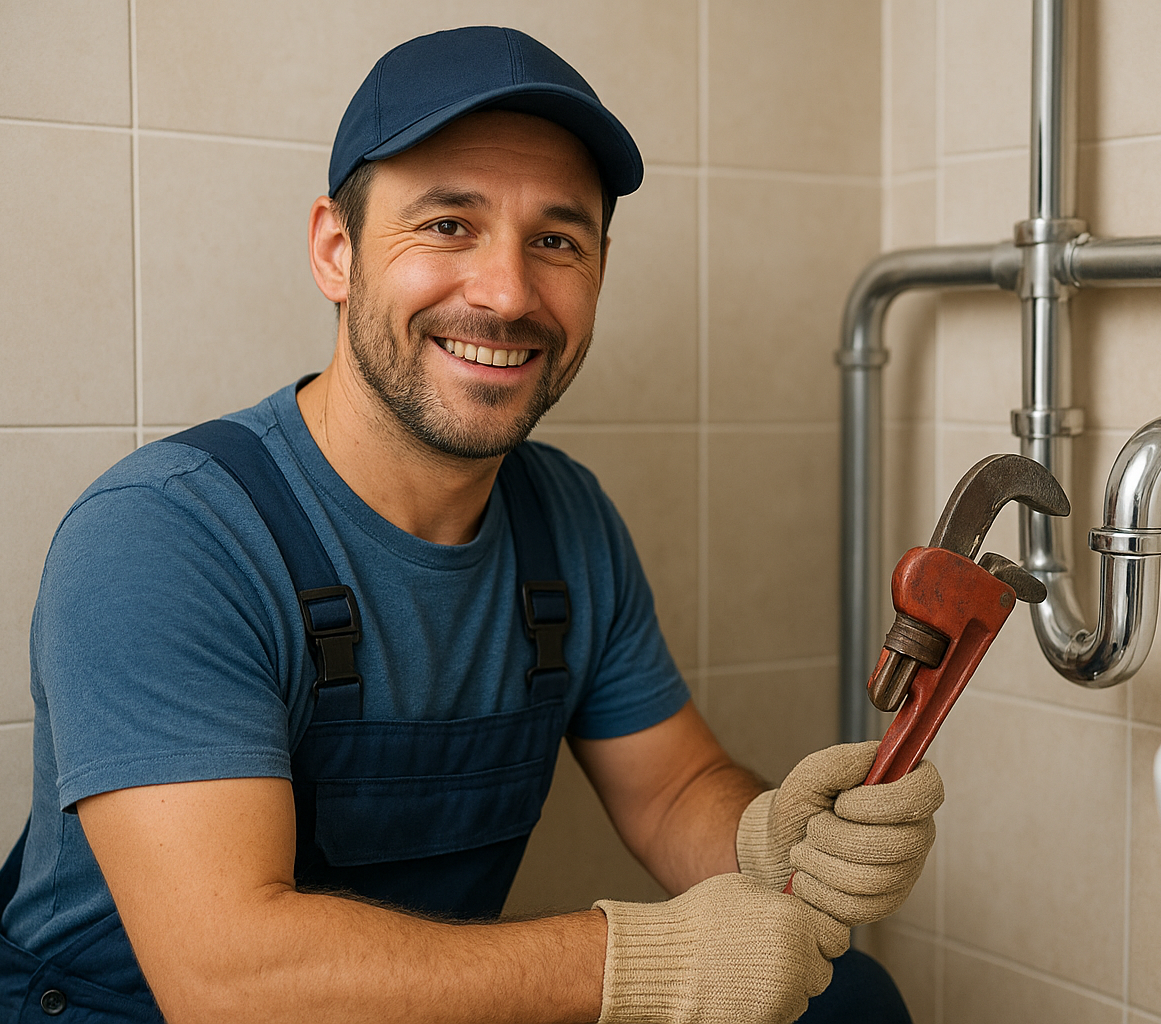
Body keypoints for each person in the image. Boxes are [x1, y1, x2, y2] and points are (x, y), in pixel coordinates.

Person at [0, 26, 942, 1024]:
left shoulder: (564, 522)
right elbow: (232, 977)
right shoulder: (166, 538)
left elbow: (674, 791)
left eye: (556, 240)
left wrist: (771, 837)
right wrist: (640, 959)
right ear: (337, 248)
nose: (505, 292)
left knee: (846, 1004)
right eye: (449, 225)